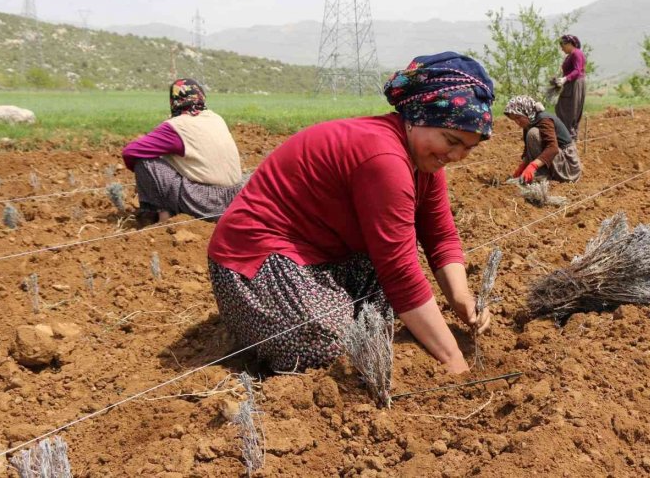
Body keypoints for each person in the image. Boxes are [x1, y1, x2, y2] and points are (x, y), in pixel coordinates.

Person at [207, 52, 495, 374]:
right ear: (418, 115)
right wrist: (453, 360)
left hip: (322, 256)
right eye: (451, 140)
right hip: (256, 257)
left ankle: (314, 311)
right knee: (325, 346)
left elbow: (440, 236)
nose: (456, 156)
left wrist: (461, 299)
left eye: (469, 148)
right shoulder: (385, 158)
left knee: (380, 317)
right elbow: (399, 273)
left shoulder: (424, 163)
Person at [122, 78, 244, 223]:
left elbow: (130, 151)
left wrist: (148, 182)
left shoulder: (176, 126)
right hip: (234, 200)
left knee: (145, 163)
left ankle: (162, 218)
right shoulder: (216, 118)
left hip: (207, 203)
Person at [504, 95, 582, 184]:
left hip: (568, 166)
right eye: (514, 120)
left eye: (518, 117)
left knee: (533, 133)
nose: (517, 122)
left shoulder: (544, 120)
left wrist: (533, 166)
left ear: (526, 112)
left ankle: (542, 174)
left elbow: (552, 148)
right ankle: (542, 173)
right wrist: (522, 166)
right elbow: (529, 150)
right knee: (532, 133)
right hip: (558, 160)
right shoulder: (530, 121)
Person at [553, 34, 587, 140]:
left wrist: (565, 79)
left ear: (569, 44)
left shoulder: (577, 53)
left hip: (574, 85)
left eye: (562, 46)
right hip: (570, 84)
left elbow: (577, 70)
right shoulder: (571, 55)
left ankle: (568, 139)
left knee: (569, 111)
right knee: (563, 109)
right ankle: (566, 137)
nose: (562, 49)